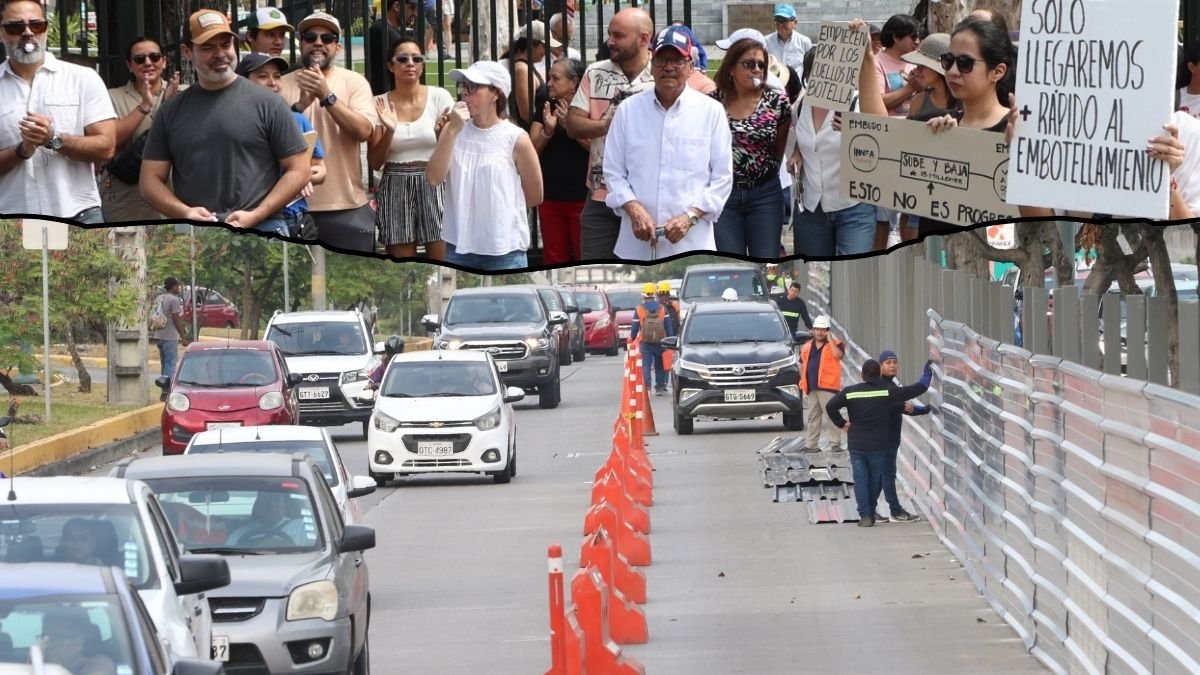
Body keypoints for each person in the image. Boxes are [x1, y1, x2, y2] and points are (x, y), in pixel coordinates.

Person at [140, 10, 310, 235]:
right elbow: (149, 180)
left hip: (264, 229)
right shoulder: (170, 111)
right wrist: (183, 212)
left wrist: (257, 214)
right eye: (208, 47)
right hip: (195, 235)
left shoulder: (270, 103)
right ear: (187, 51)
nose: (220, 54)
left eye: (225, 44)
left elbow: (299, 169)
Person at [603, 26, 733, 260]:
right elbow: (613, 171)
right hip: (636, 241)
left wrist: (691, 217)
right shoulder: (627, 111)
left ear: (690, 66)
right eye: (662, 60)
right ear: (651, 65)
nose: (669, 68)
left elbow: (722, 177)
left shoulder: (710, 112)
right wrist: (634, 209)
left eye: (677, 61)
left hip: (693, 241)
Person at [0, 0, 116, 223]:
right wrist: (22, 150)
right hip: (11, 218)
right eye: (16, 27)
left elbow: (107, 147)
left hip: (79, 213)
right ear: (2, 33)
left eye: (36, 25)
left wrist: (53, 139)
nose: (27, 32)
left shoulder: (82, 78)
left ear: (47, 29)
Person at [427, 61, 543, 270]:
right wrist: (452, 130)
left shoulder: (515, 138)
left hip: (504, 249)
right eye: (463, 86)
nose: (465, 93)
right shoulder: (453, 130)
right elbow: (433, 178)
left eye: (473, 87)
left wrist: (500, 208)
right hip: (458, 246)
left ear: (495, 93)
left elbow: (535, 195)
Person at [279, 11, 378, 252]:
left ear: (338, 47)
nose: (318, 43)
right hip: (292, 207)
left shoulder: (354, 82)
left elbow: (364, 131)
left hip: (346, 206)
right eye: (310, 36)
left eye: (328, 38)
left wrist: (326, 95)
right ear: (301, 43)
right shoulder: (280, 84)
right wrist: (300, 107)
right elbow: (273, 139)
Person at [786, 19, 887, 257]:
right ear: (807, 77)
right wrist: (797, 154)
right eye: (816, 73)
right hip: (811, 209)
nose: (824, 79)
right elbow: (802, 143)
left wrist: (866, 55)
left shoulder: (856, 103)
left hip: (853, 207)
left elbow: (882, 130)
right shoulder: (800, 107)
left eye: (829, 71)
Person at [564, 7, 655, 260]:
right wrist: (605, 126)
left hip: (647, 196)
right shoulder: (596, 72)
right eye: (609, 34)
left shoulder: (660, 75)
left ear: (644, 39)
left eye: (618, 35)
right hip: (601, 195)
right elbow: (572, 124)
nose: (610, 42)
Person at [368, 36, 454, 260]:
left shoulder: (439, 96)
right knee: (402, 258)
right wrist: (390, 130)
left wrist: (439, 133)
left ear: (423, 64)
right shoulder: (380, 103)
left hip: (434, 180)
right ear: (391, 65)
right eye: (403, 59)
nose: (410, 63)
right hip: (395, 179)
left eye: (417, 58)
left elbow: (453, 146)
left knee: (443, 253)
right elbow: (375, 162)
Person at [709, 33, 792, 258]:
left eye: (761, 65)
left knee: (765, 258)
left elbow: (779, 147)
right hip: (723, 195)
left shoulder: (777, 102)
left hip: (764, 194)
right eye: (748, 64)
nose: (756, 69)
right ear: (731, 69)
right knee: (730, 259)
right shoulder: (711, 102)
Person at [825, 358, 933, 527]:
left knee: (860, 480)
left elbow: (830, 406)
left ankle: (865, 515)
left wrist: (843, 424)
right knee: (875, 479)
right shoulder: (886, 392)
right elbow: (918, 389)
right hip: (878, 444)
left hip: (857, 443)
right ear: (879, 374)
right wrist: (928, 372)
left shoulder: (850, 392)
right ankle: (871, 511)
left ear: (862, 375)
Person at [236, 52, 328, 238]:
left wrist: (302, 177)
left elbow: (320, 170)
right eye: (263, 76)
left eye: (277, 76)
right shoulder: (234, 124)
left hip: (296, 218)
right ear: (242, 82)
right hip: (254, 218)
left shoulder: (297, 120)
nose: (273, 82)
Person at [101, 37, 183, 222]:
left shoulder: (183, 94)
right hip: (128, 197)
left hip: (175, 194)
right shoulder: (111, 97)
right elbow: (110, 142)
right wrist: (145, 106)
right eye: (139, 59)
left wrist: (168, 107)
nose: (148, 63)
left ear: (164, 61)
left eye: (154, 57)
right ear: (129, 65)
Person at [530, 57, 589, 264]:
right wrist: (547, 130)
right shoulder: (546, 106)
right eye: (549, 78)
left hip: (581, 197)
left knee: (583, 253)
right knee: (554, 256)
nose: (549, 83)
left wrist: (571, 127)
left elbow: (598, 148)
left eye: (555, 78)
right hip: (550, 197)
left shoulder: (588, 108)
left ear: (574, 82)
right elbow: (531, 151)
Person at [875, 349, 931, 523]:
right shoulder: (885, 386)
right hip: (885, 438)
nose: (892, 366)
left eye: (894, 362)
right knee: (888, 474)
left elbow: (901, 406)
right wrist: (928, 373)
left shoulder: (887, 385)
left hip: (886, 437)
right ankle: (895, 510)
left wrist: (921, 410)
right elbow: (914, 392)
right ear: (880, 366)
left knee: (880, 475)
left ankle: (868, 509)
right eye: (888, 363)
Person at [500, 22, 558, 129]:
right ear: (533, 43)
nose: (546, 51)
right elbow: (526, 114)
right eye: (544, 46)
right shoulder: (522, 69)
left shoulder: (525, 66)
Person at [798, 314, 843, 451]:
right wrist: (803, 380)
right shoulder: (807, 346)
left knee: (831, 415)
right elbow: (801, 363)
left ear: (827, 330)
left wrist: (830, 339)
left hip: (828, 387)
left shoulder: (835, 344)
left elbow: (839, 356)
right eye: (817, 329)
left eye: (823, 329)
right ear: (813, 330)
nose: (819, 332)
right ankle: (811, 445)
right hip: (812, 387)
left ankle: (835, 444)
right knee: (813, 417)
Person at [40, 607, 117, 675]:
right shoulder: (36, 663)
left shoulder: (100, 663)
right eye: (44, 637)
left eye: (56, 638)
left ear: (78, 642)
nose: (48, 645)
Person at [629, 282, 674, 395]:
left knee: (646, 365)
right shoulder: (662, 308)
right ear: (654, 295)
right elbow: (668, 326)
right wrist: (670, 341)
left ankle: (647, 386)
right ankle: (659, 387)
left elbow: (634, 327)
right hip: (661, 341)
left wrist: (633, 339)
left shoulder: (639, 309)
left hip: (646, 341)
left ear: (643, 296)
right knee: (659, 365)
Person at [152, 277, 191, 401]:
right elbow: (176, 319)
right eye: (177, 286)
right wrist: (183, 337)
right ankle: (167, 390)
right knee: (171, 363)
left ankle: (163, 387)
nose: (179, 288)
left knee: (164, 363)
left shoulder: (160, 298)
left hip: (159, 335)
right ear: (172, 286)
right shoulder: (173, 300)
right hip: (170, 336)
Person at [227, 491, 307, 546]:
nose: (271, 505)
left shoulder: (303, 527)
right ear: (258, 506)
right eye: (266, 500)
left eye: (276, 500)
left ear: (285, 506)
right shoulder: (239, 534)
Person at [369, 1, 405, 95]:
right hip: (384, 96)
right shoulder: (383, 31)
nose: (415, 13)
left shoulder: (390, 31)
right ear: (396, 6)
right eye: (412, 8)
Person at [764, 4, 811, 72]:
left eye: (784, 20)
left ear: (795, 23)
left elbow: (810, 67)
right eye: (778, 20)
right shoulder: (766, 41)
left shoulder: (804, 42)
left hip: (796, 82)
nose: (780, 24)